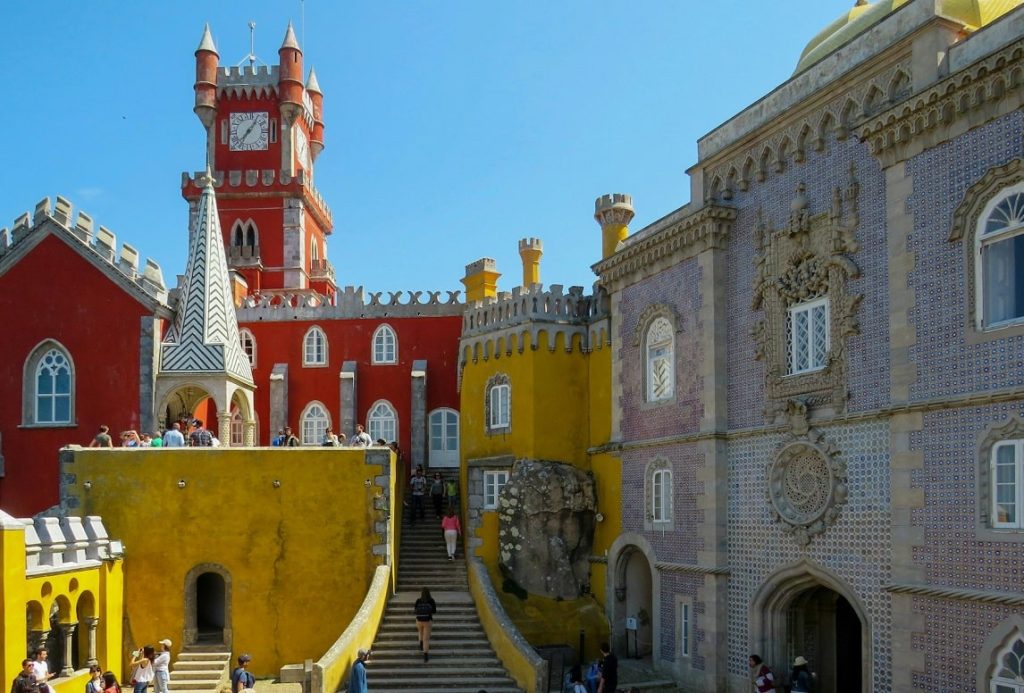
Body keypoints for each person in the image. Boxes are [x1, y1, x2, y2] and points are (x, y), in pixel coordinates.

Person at [414, 588, 437, 662]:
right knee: (426, 639)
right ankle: (425, 656)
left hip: (419, 620)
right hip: (428, 620)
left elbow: (415, 610)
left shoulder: (418, 600)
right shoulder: (431, 601)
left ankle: (421, 645)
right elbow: (434, 611)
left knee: (420, 632)